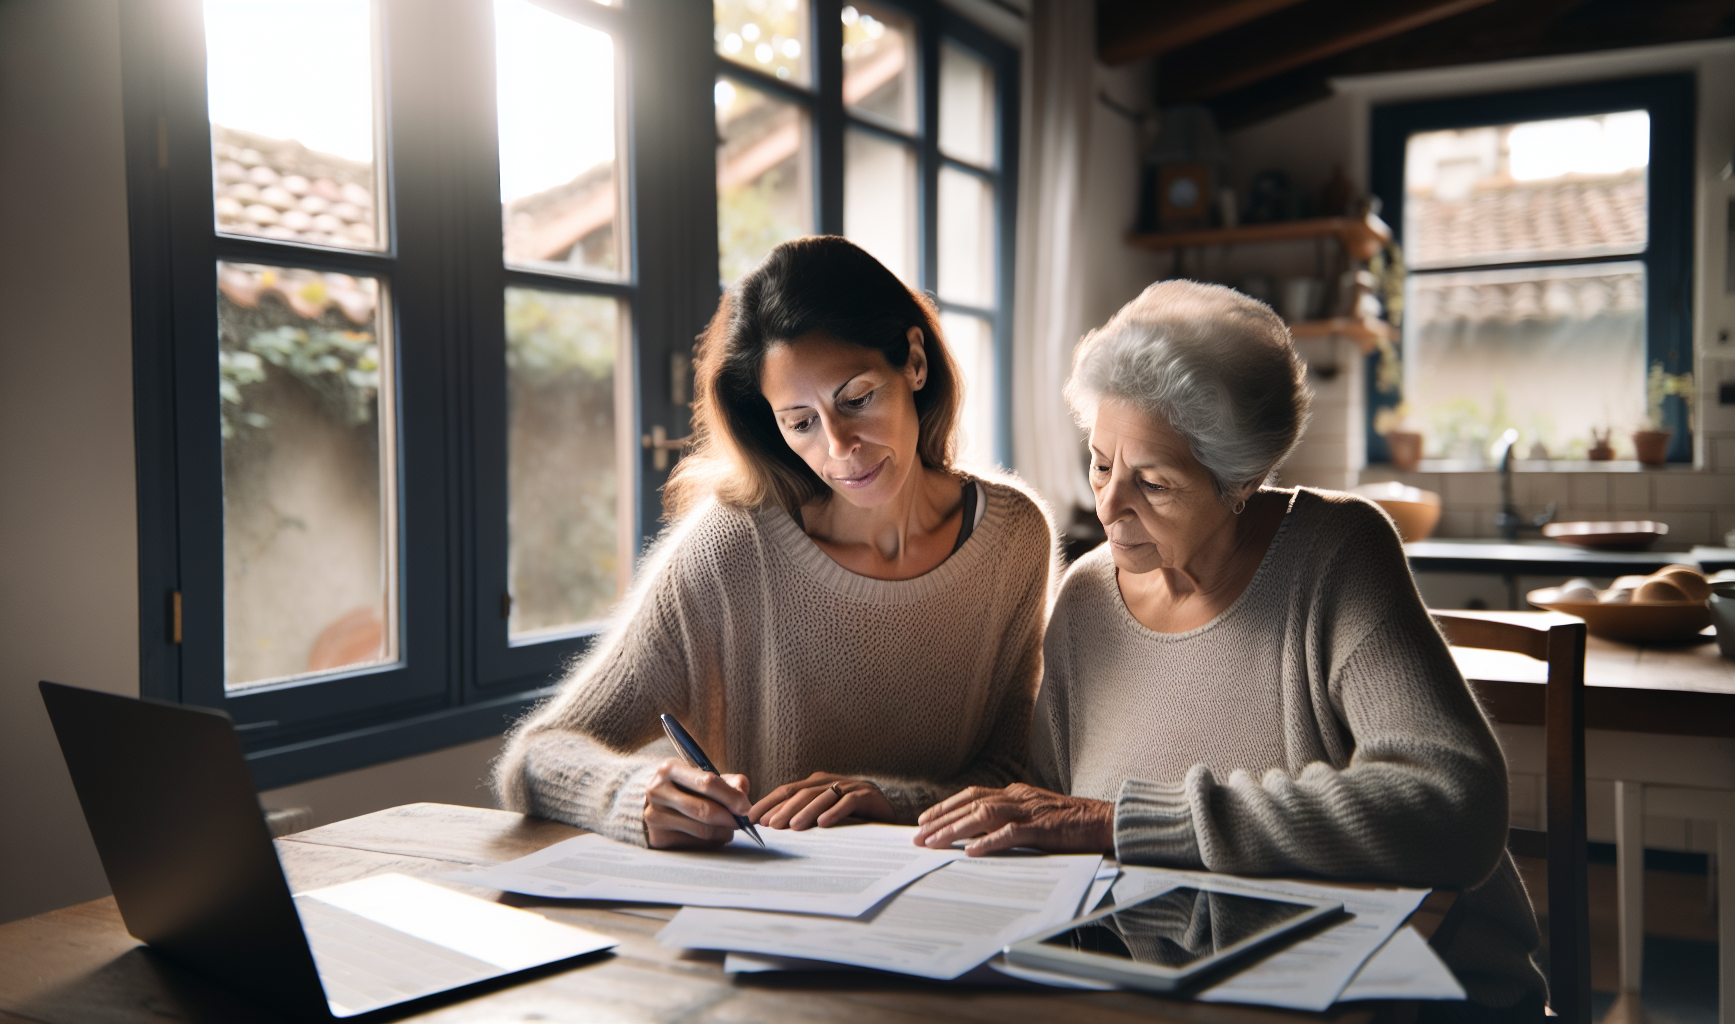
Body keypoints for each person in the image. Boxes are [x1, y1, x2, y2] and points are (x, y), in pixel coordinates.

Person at [914, 281, 1544, 1013]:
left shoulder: (1337, 555)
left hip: (1415, 992)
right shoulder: (1087, 596)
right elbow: (1050, 816)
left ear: (1241, 481)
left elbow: (1454, 804)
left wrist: (1130, 823)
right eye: (1099, 462)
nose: (1109, 505)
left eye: (1152, 482)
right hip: (1184, 995)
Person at [495, 236, 1054, 851]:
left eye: (857, 399)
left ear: (914, 362)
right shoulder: (734, 548)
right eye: (801, 422)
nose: (840, 447)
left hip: (950, 899)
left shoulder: (1013, 537)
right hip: (769, 910)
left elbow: (1007, 773)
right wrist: (629, 794)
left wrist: (888, 801)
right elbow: (535, 757)